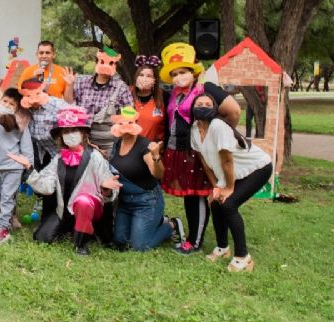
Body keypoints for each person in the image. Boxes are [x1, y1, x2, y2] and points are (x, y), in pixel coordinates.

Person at [159, 42, 241, 255]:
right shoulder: (173, 92)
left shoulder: (207, 89)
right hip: (176, 150)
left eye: (183, 72)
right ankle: (194, 236)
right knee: (189, 195)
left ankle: (195, 242)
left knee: (198, 195)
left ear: (193, 71)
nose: (179, 77)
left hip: (198, 150)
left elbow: (233, 111)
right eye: (175, 73)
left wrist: (219, 134)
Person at [190, 94, 272, 272]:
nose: (203, 106)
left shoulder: (218, 127)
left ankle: (243, 258)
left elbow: (227, 161)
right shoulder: (194, 130)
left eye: (208, 104)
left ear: (215, 109)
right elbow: (204, 162)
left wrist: (228, 188)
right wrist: (216, 187)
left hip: (257, 167)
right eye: (199, 103)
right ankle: (222, 248)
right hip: (231, 173)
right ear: (192, 107)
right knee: (216, 203)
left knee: (228, 204)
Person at [32, 105, 121, 255]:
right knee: (41, 237)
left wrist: (106, 189)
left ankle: (81, 244)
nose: (70, 134)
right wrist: (29, 170)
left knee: (83, 201)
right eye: (66, 131)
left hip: (91, 208)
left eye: (74, 130)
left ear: (83, 133)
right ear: (61, 136)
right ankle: (69, 227)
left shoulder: (95, 156)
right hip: (65, 210)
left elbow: (110, 187)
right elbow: (47, 187)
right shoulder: (58, 159)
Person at [109, 106, 183, 251]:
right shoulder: (117, 143)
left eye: (129, 123)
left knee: (140, 246)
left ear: (136, 124)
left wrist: (156, 156)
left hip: (146, 202)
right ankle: (154, 222)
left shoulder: (145, 147)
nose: (125, 127)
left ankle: (171, 225)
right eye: (121, 123)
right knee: (120, 241)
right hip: (124, 202)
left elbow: (159, 175)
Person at [0, 88, 34, 244]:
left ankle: (3, 228)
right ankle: (8, 220)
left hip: (14, 166)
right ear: (0, 100)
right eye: (5, 101)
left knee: (6, 197)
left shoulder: (20, 122)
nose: (7, 105)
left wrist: (27, 162)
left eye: (12, 104)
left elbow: (26, 144)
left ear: (16, 107)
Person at [65, 46, 134, 154]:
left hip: (108, 146)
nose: (106, 66)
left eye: (111, 63)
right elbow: (69, 102)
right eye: (102, 62)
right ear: (96, 62)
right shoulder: (82, 82)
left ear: (115, 65)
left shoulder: (121, 87)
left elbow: (130, 116)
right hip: (82, 142)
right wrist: (70, 85)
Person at [130, 55, 165, 143]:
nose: (144, 78)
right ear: (136, 77)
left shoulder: (163, 96)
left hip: (152, 150)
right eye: (141, 75)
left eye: (149, 76)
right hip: (128, 149)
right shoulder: (126, 93)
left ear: (155, 80)